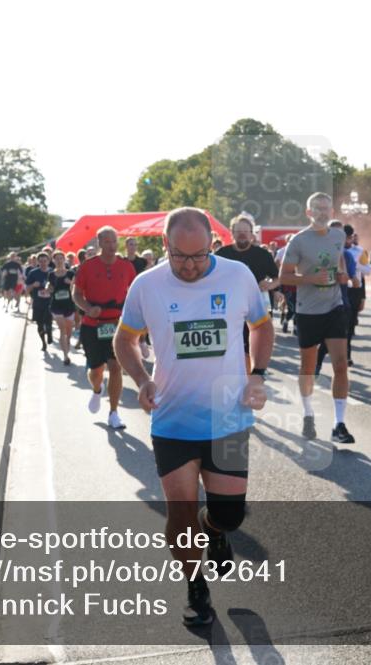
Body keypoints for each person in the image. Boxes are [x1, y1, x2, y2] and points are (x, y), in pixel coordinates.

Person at [113, 207, 274, 627]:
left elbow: (262, 325)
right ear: (164, 246)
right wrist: (141, 379)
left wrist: (257, 376)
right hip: (173, 419)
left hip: (227, 418)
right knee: (180, 512)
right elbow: (124, 339)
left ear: (212, 245)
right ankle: (195, 587)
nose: (189, 266)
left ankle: (215, 529)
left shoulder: (238, 276)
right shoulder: (146, 285)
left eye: (199, 256)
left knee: (229, 514)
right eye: (180, 257)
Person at [281, 192, 355, 444]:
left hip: (334, 307)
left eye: (326, 208)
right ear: (309, 212)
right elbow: (285, 277)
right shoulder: (299, 241)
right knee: (308, 368)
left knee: (341, 365)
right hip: (307, 310)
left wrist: (343, 274)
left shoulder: (339, 235)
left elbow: (340, 261)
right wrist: (311, 279)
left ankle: (339, 423)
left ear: (332, 212)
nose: (322, 212)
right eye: (317, 208)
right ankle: (308, 413)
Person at [73, 226, 136, 430]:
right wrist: (88, 308)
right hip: (93, 325)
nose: (111, 245)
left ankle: (114, 413)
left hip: (117, 324)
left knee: (116, 367)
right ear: (99, 243)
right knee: (96, 370)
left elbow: (134, 293)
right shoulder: (87, 267)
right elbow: (77, 294)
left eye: (114, 241)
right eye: (107, 241)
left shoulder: (126, 267)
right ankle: (97, 389)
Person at [215, 214, 280, 373]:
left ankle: (251, 379)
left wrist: (270, 285)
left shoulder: (263, 255)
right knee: (232, 346)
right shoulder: (221, 254)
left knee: (252, 346)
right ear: (232, 233)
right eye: (238, 231)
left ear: (252, 234)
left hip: (256, 306)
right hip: (229, 308)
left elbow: (278, 278)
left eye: (246, 231)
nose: (242, 234)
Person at [316, 223, 359, 373]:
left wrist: (353, 279)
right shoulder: (319, 252)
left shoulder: (347, 255)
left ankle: (325, 361)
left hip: (341, 301)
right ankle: (318, 361)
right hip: (321, 301)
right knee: (325, 336)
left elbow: (354, 280)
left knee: (341, 333)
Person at [48, 251, 76, 365]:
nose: (59, 261)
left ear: (64, 260)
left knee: (68, 332)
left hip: (69, 305)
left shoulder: (70, 273)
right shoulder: (51, 274)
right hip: (56, 305)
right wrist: (49, 288)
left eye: (61, 258)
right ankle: (65, 356)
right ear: (53, 261)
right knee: (62, 329)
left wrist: (70, 283)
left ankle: (67, 343)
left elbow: (76, 288)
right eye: (57, 259)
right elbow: (50, 287)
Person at [26, 252, 54, 352]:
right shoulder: (33, 273)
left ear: (48, 261)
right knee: (40, 324)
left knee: (48, 321)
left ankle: (50, 334)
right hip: (38, 302)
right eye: (41, 261)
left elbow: (57, 287)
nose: (43, 263)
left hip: (49, 302)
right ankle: (43, 342)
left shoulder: (52, 272)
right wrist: (33, 285)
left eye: (45, 261)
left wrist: (51, 289)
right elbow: (27, 289)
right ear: (37, 262)